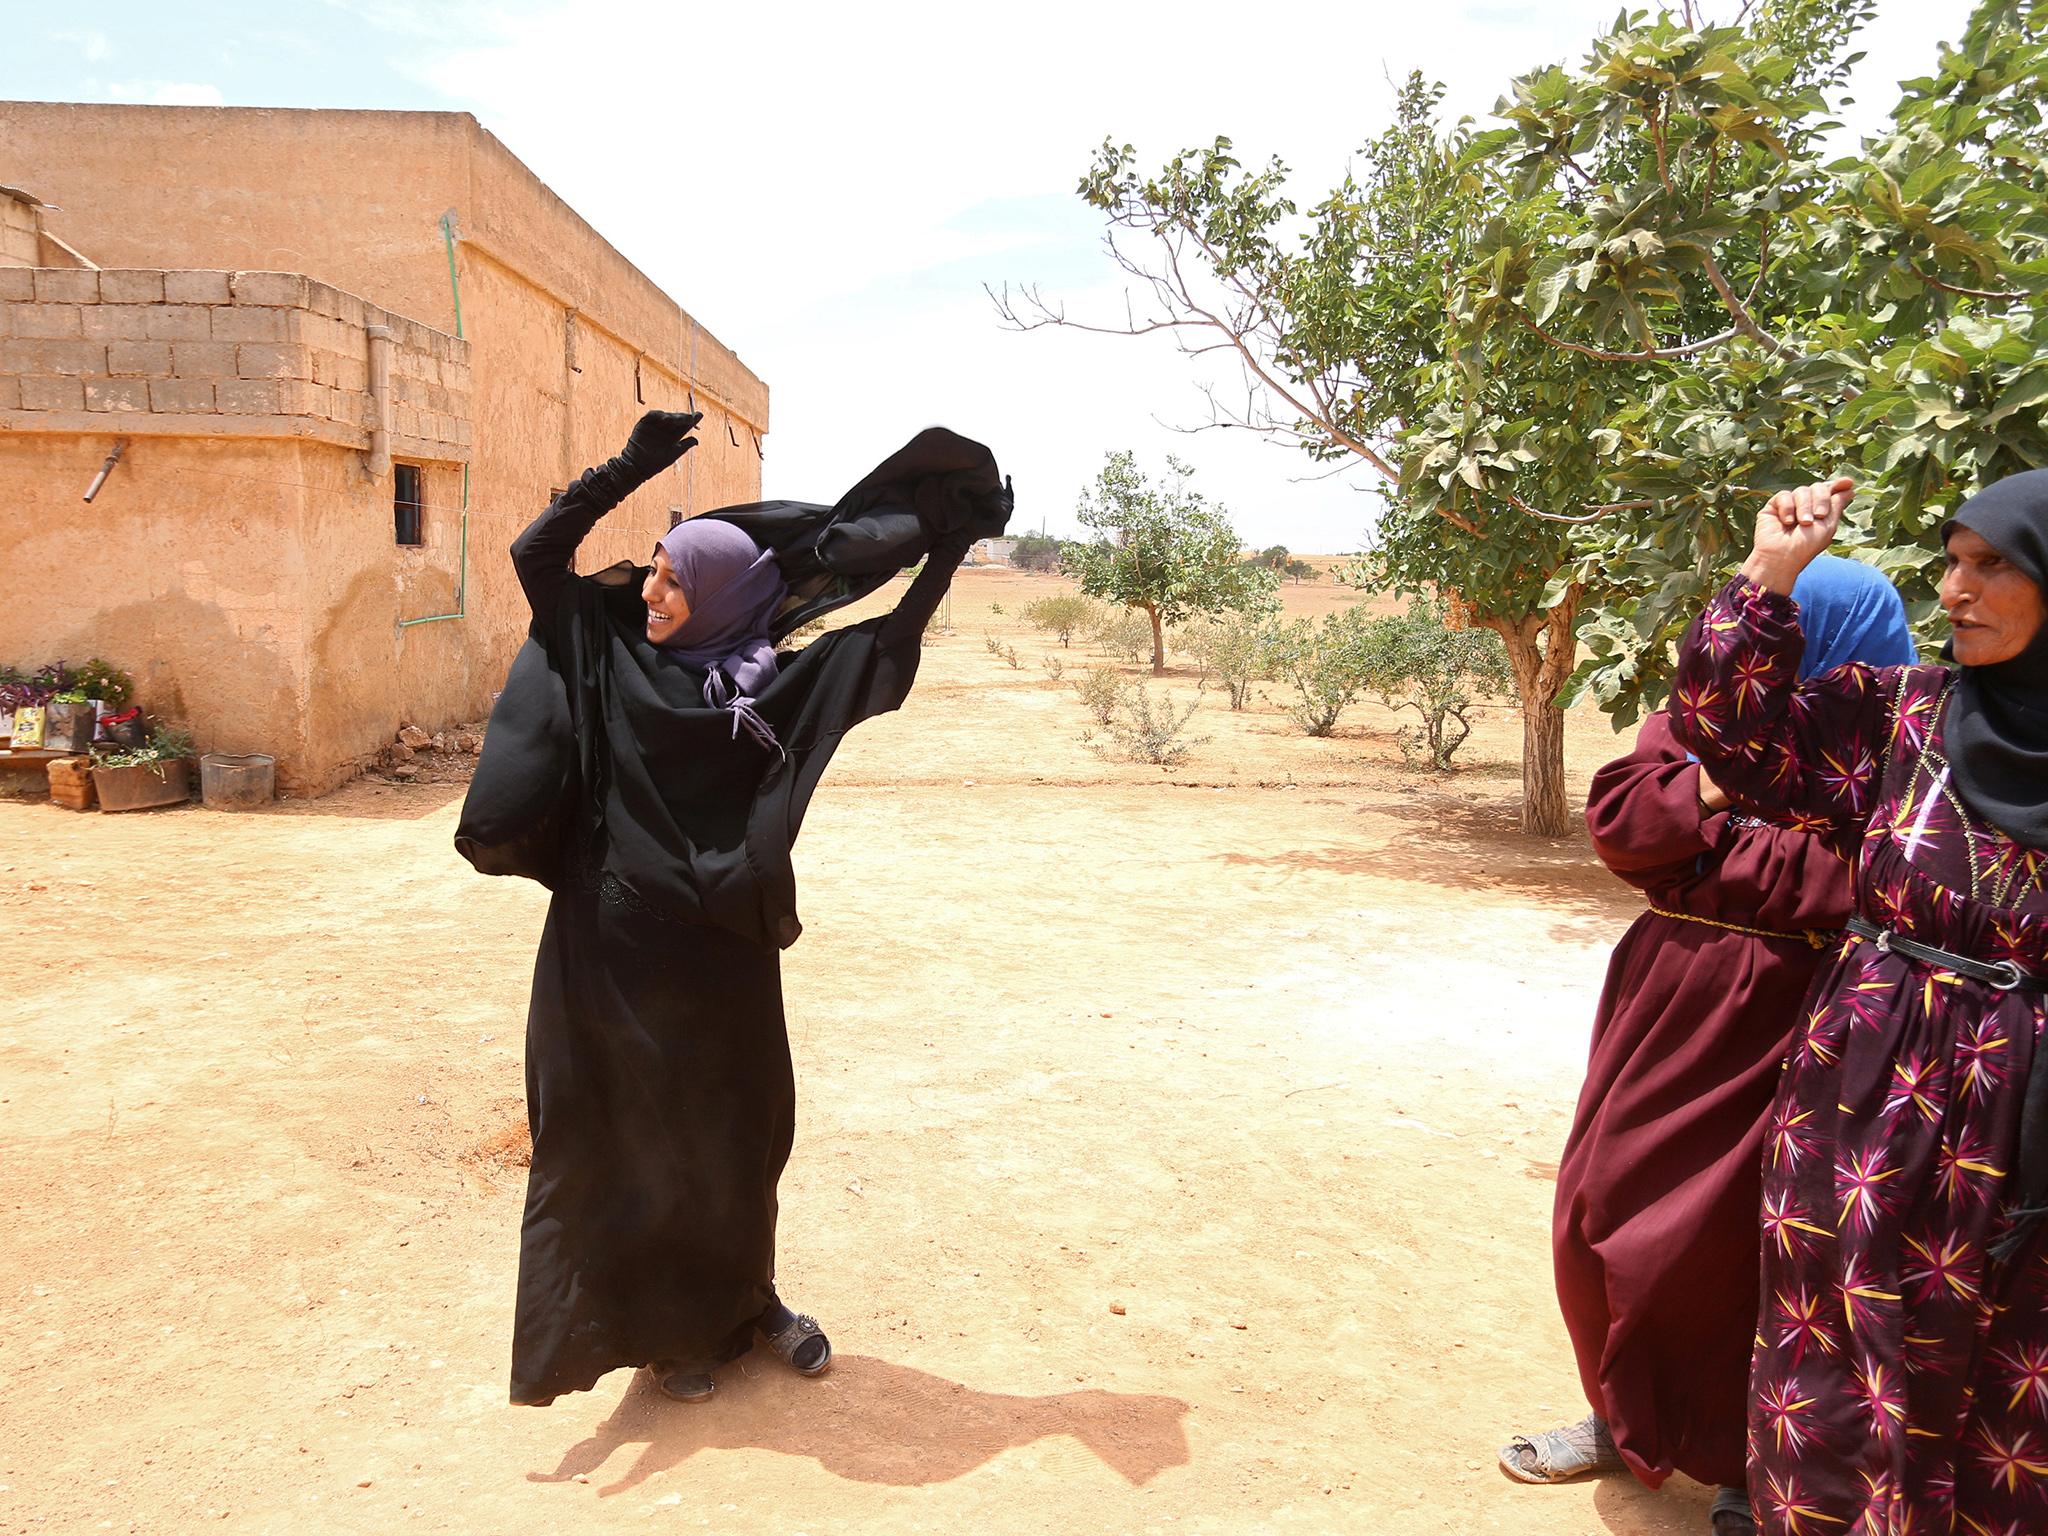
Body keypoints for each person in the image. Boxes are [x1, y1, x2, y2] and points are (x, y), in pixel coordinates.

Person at [456, 409, 1012, 1406]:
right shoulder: (603, 651)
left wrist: (950, 546)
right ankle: (670, 1335)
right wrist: (623, 468)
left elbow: (888, 642)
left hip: (723, 955)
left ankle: (747, 1304)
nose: (657, 592)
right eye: (656, 570)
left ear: (728, 593)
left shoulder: (774, 689)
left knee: (736, 1132)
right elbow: (537, 553)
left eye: (677, 578)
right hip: (609, 949)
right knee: (631, 1138)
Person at [1502, 558, 1917, 1536]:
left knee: (1750, 1245)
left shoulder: (1899, 746)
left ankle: (1748, 1460)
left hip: (1809, 1012)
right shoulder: (1707, 712)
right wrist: (1731, 781)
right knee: (1597, 1210)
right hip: (1667, 997)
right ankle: (1618, 1415)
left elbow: (1863, 876)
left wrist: (1710, 825)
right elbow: (1622, 824)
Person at [1666, 472, 2047, 1534]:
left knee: (2005, 1377)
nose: (1956, 588)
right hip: (1866, 1089)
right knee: (1838, 1353)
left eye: (1992, 564)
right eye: (1951, 561)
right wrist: (1769, 572)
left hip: (2025, 1122)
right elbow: (1725, 735)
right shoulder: (1903, 713)